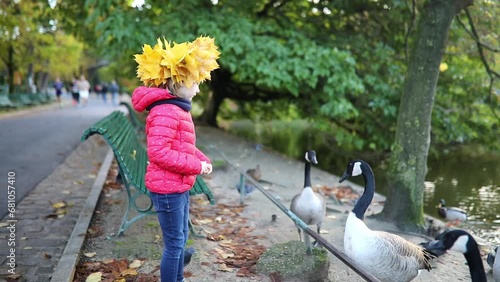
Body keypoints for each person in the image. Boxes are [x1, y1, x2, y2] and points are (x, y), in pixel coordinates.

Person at [131, 36, 220, 282]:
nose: (199, 89)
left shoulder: (176, 108)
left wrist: (201, 158)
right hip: (168, 189)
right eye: (195, 82)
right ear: (176, 82)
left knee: (180, 236)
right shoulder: (166, 111)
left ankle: (178, 271)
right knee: (174, 244)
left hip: (177, 185)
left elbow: (184, 145)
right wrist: (196, 166)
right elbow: (159, 153)